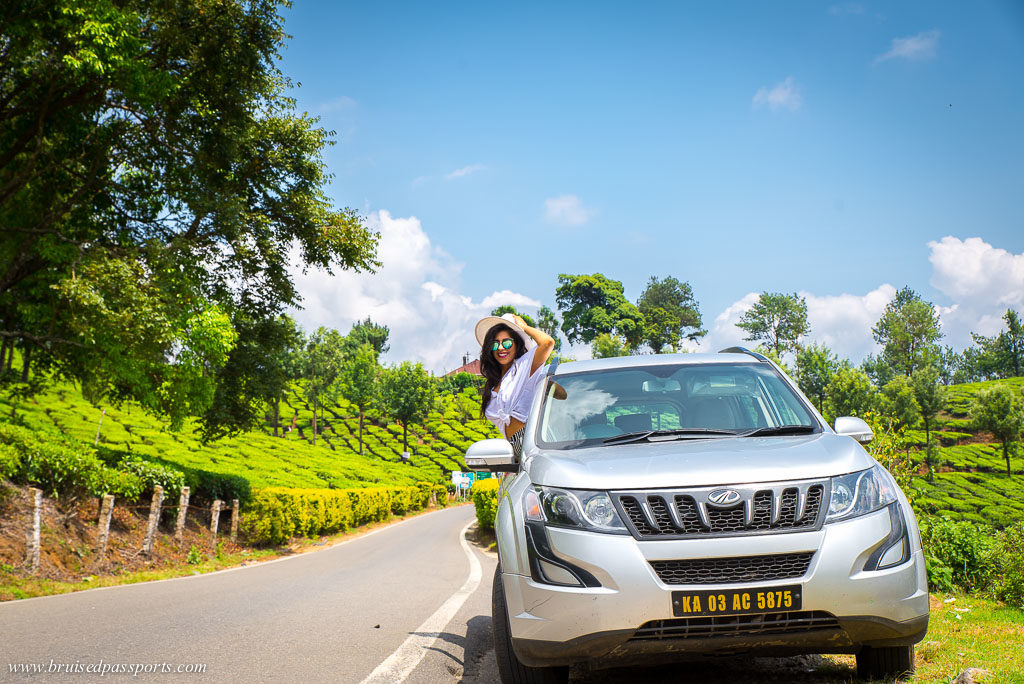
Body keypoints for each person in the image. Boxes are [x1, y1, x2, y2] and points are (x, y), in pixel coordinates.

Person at [475, 313, 555, 457]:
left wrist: (524, 327)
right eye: (495, 343)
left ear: (517, 344)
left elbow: (547, 342)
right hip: (516, 449)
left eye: (506, 342)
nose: (500, 348)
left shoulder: (524, 365)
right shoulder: (493, 383)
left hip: (534, 443)